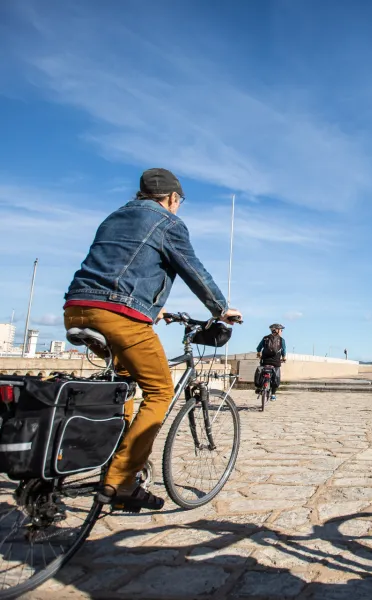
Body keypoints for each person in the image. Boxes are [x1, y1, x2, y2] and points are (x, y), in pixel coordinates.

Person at [64, 168, 242, 511]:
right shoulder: (168, 222)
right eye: (180, 201)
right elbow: (193, 270)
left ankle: (106, 449)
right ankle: (120, 480)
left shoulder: (114, 217)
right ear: (173, 198)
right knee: (160, 391)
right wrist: (221, 309)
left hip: (77, 307)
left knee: (125, 384)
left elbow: (117, 267)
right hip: (117, 314)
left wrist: (152, 308)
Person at [256, 324, 287, 400]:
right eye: (281, 330)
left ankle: (259, 387)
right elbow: (283, 350)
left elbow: (258, 348)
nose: (281, 331)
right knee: (276, 377)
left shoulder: (265, 338)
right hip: (276, 362)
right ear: (277, 330)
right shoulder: (281, 340)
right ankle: (273, 394)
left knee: (261, 372)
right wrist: (283, 358)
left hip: (265, 361)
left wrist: (259, 354)